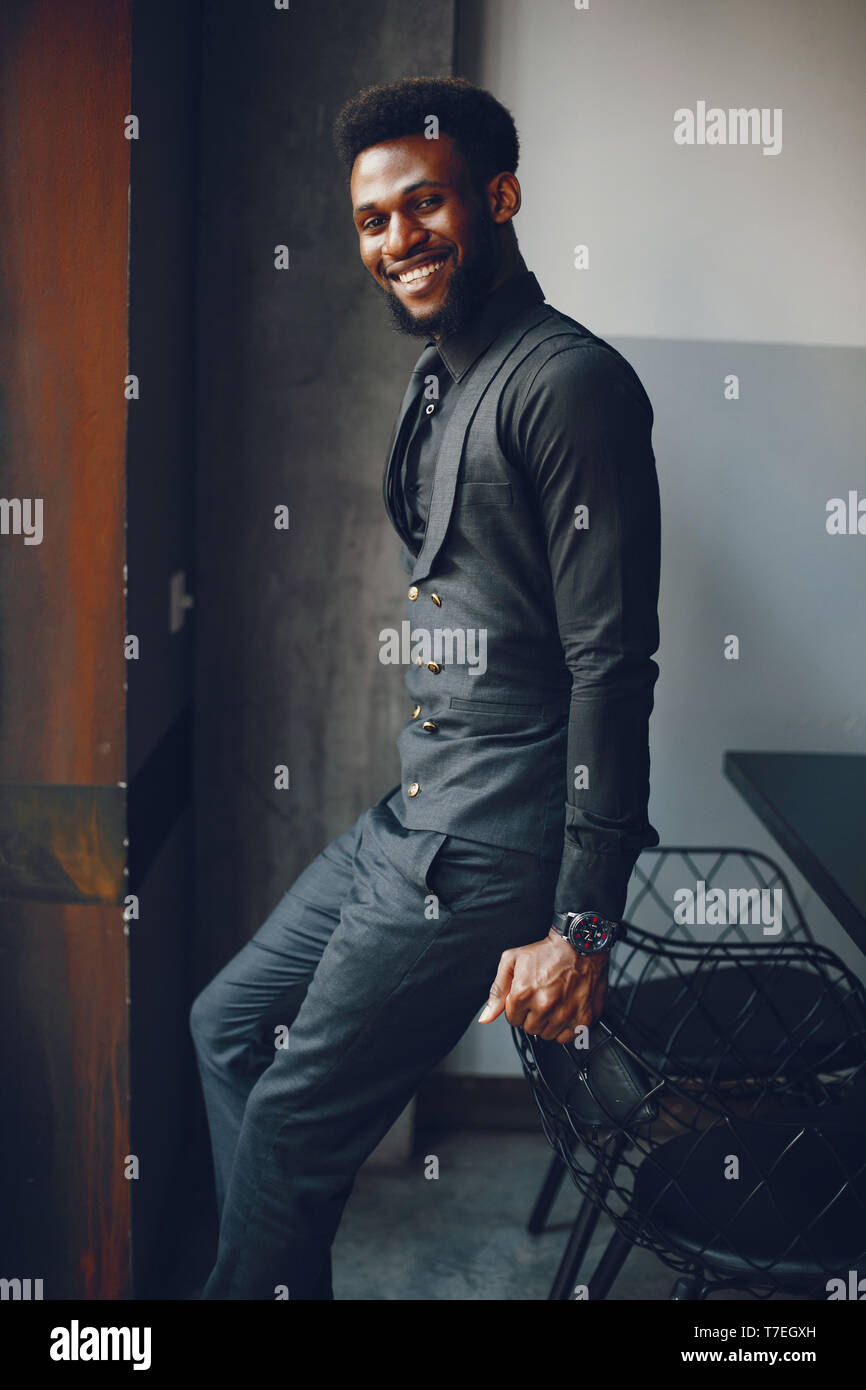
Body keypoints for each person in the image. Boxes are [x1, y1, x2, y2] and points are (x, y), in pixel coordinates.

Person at [191, 75, 661, 1301]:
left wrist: (584, 923)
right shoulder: (443, 375)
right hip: (415, 813)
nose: (396, 239)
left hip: (490, 846)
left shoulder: (567, 384)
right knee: (226, 1025)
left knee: (294, 1129)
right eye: (370, 220)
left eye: (425, 204)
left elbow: (613, 664)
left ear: (497, 198)